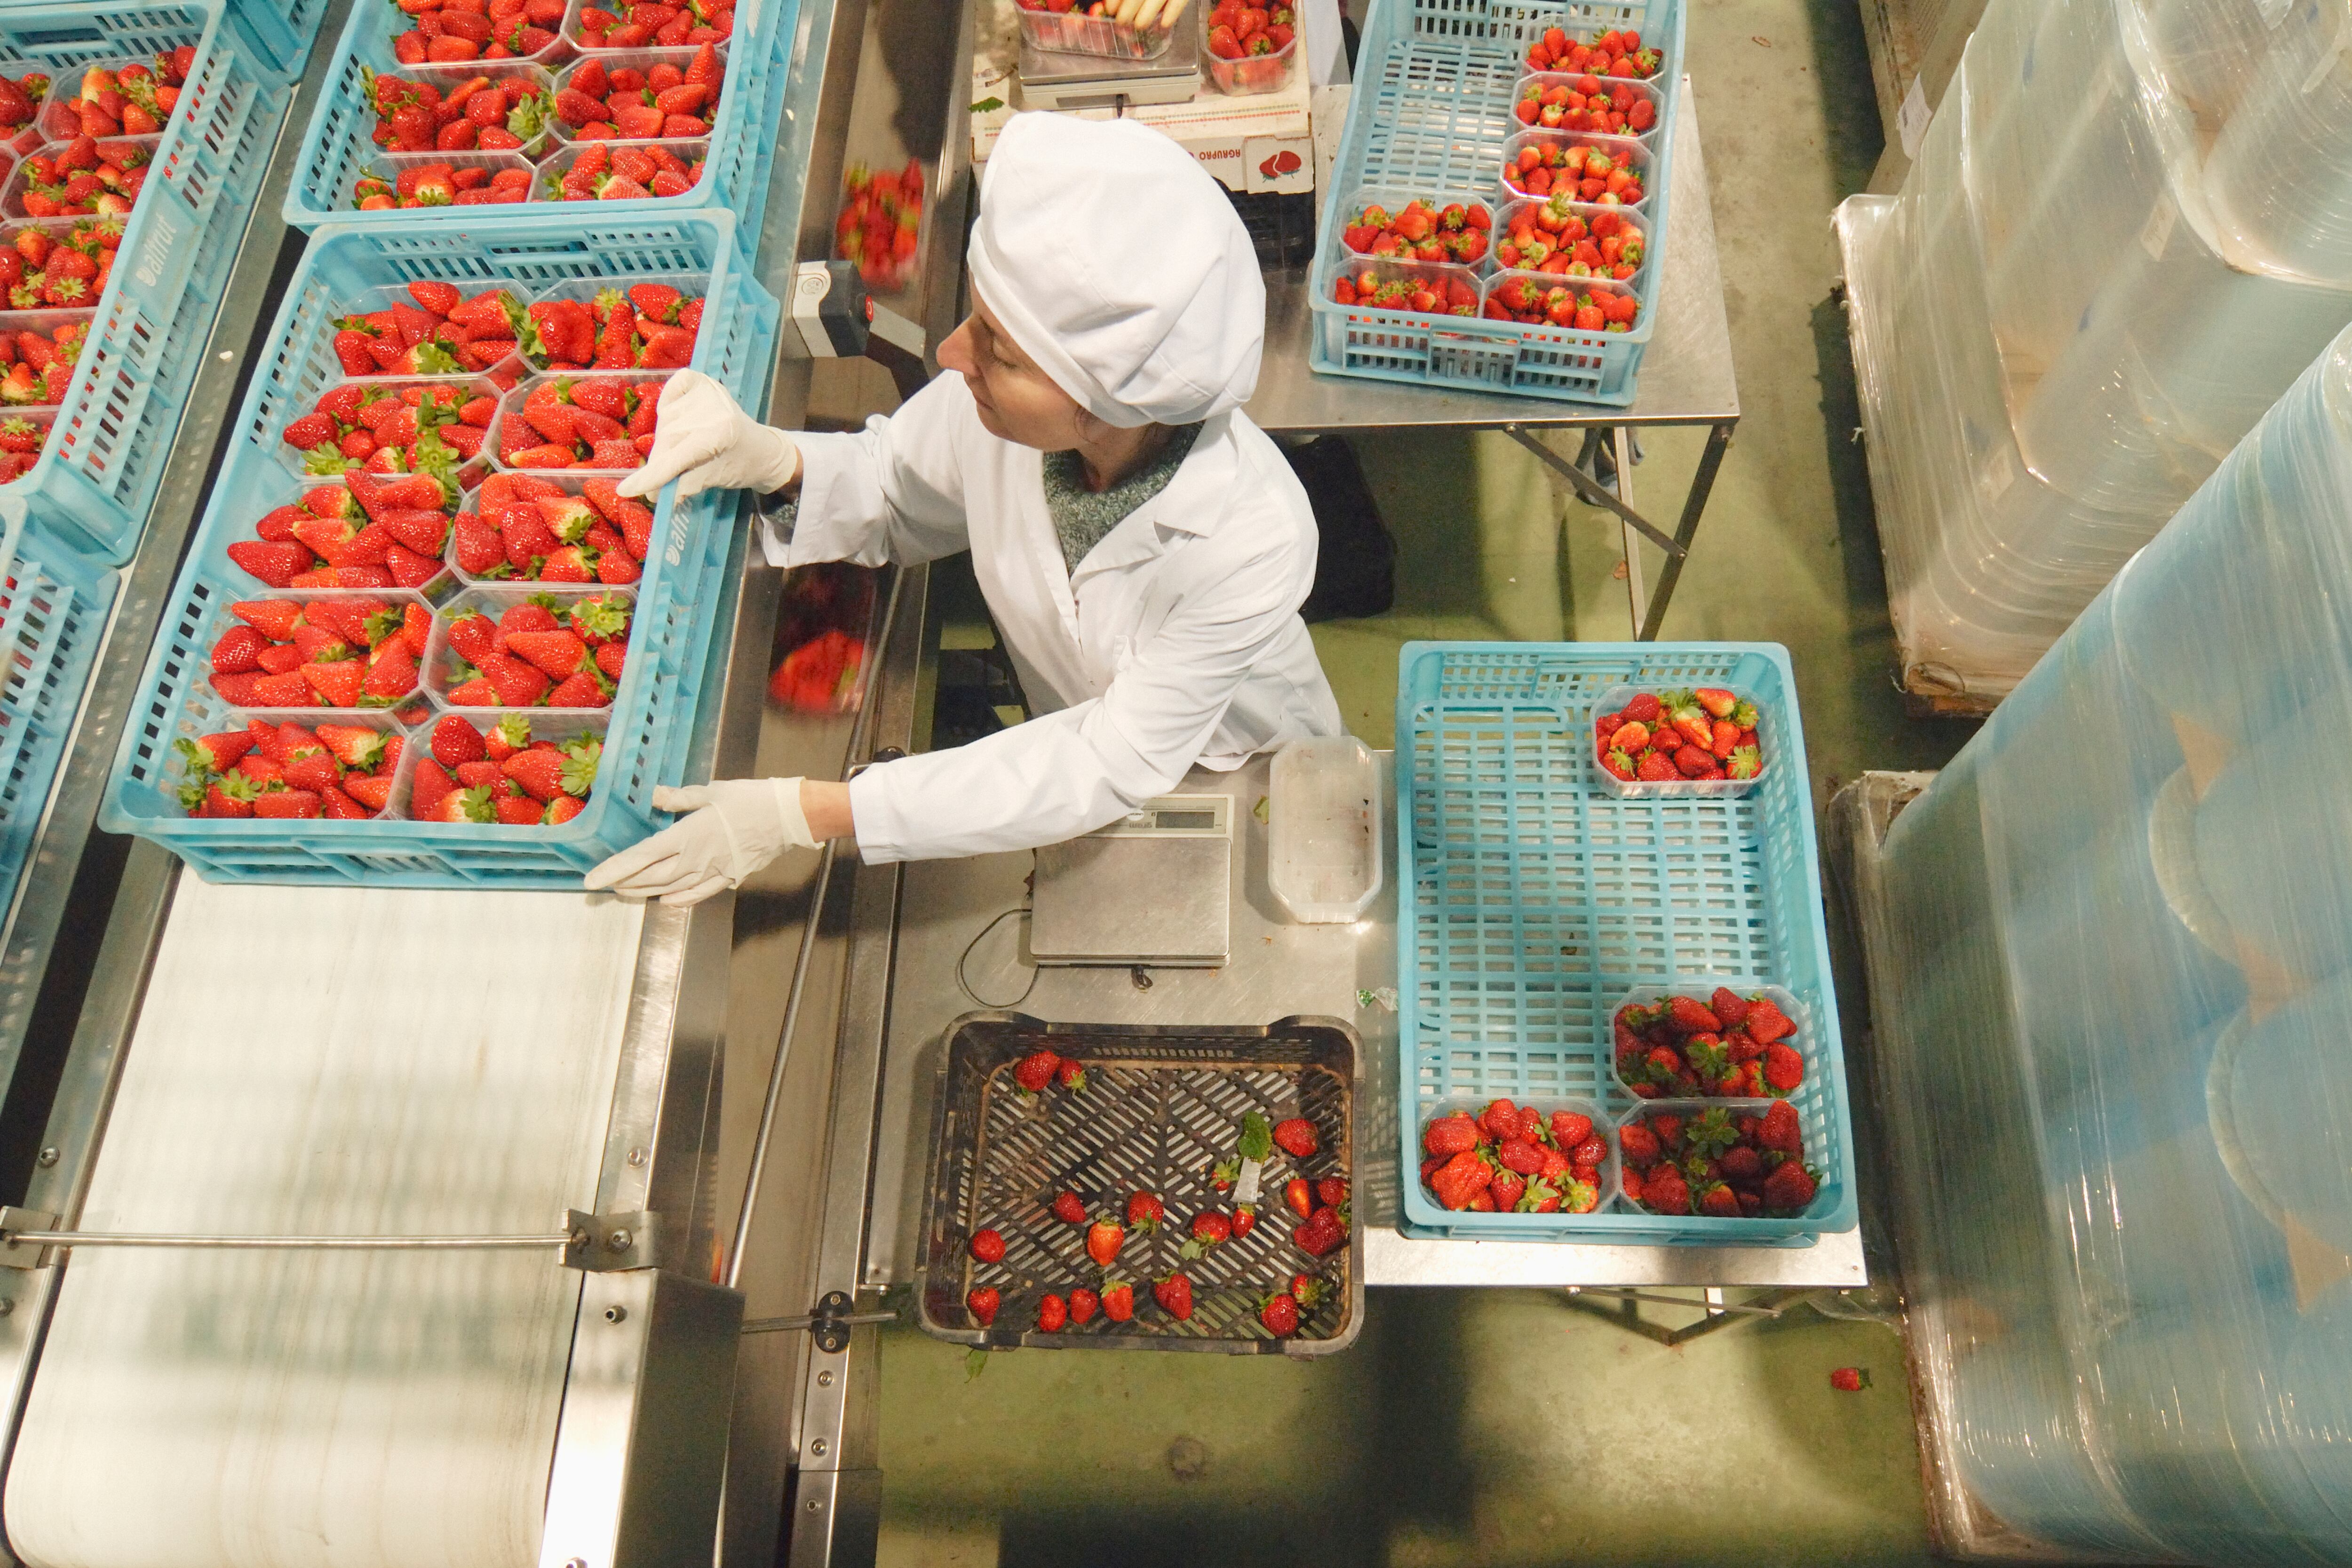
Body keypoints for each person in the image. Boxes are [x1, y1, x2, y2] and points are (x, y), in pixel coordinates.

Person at [584, 112, 1343, 907]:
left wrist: (804, 812)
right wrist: (776, 459)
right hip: (1069, 756)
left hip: (1239, 771)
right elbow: (890, 485)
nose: (952, 354)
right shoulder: (1007, 415)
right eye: (980, 321)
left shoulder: (1252, 537)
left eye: (998, 352)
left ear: (1108, 403)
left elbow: (1107, 762)